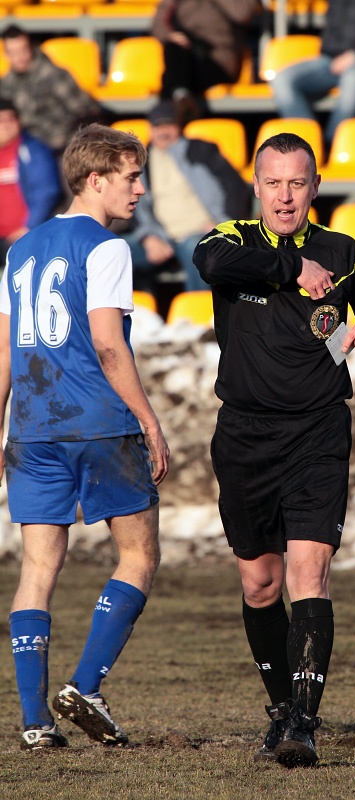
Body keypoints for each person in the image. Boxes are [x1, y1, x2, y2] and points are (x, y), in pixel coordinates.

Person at [193, 132, 355, 768]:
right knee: (260, 584)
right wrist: (291, 268)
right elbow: (209, 267)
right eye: (274, 183)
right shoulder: (229, 239)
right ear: (256, 187)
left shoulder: (343, 251)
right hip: (243, 434)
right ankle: (280, 709)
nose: (285, 196)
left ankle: (303, 726)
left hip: (318, 430)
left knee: (308, 573)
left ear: (314, 188)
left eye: (297, 183)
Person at [0, 123, 170, 750]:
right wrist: (149, 421)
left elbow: (2, 348)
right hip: (97, 422)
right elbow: (106, 342)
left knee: (38, 566)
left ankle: (34, 722)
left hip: (33, 428)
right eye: (130, 178)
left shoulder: (19, 249)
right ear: (95, 179)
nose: (139, 189)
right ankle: (86, 686)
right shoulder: (106, 247)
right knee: (139, 555)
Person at [124, 99, 250, 293]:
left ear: (179, 126)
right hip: (162, 237)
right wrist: (148, 237)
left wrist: (222, 223)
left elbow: (235, 187)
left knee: (198, 251)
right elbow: (133, 202)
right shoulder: (141, 161)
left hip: (200, 232)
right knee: (114, 251)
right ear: (150, 128)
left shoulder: (200, 150)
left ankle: (200, 319)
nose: (163, 131)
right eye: (158, 126)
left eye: (169, 125)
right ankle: (137, 317)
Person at [271, 0, 355, 146]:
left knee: (353, 76)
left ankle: (333, 143)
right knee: (283, 79)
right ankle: (307, 145)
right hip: (331, 59)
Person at [0, 25, 103, 155]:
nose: (20, 57)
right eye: (13, 53)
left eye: (23, 50)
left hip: (61, 147)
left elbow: (86, 111)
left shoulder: (54, 75)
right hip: (26, 149)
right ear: (6, 54)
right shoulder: (6, 83)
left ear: (31, 47)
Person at [152, 0, 258, 114]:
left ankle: (170, 110)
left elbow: (242, 13)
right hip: (184, 55)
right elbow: (158, 22)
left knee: (172, 82)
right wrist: (170, 36)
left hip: (218, 60)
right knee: (174, 48)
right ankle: (181, 98)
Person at [0, 98, 63, 268]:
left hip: (25, 236)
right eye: (1, 120)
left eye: (11, 119)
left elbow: (46, 191)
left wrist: (29, 227)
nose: (6, 125)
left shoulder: (32, 151)